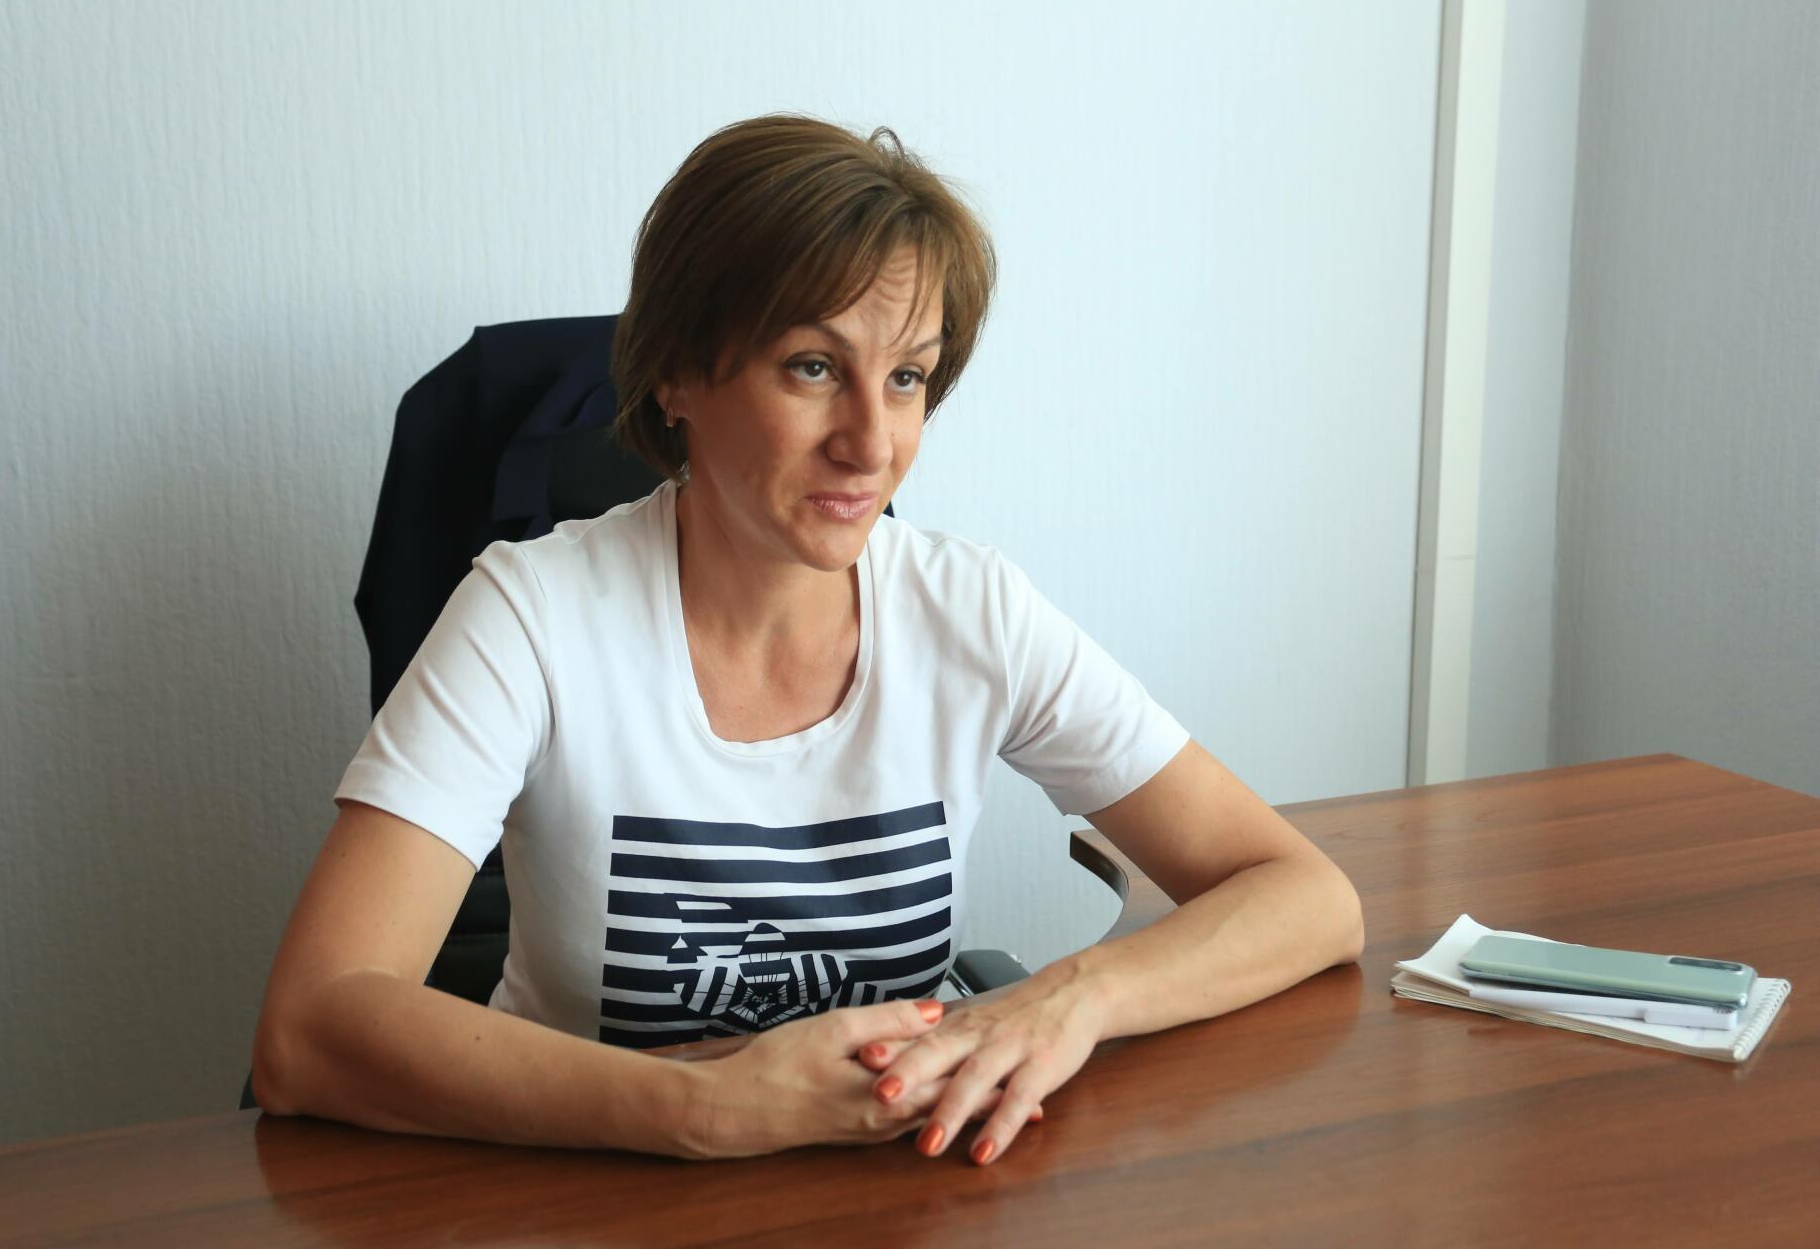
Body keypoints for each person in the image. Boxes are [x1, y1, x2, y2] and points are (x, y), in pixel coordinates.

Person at [250, 113, 1365, 1168]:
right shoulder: (532, 616)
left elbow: (1307, 894)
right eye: (814, 368)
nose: (872, 443)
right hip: (598, 1184)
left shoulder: (970, 609)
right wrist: (709, 1108)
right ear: (677, 372)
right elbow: (308, 1028)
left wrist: (1066, 999)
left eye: (907, 377)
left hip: (894, 1181)